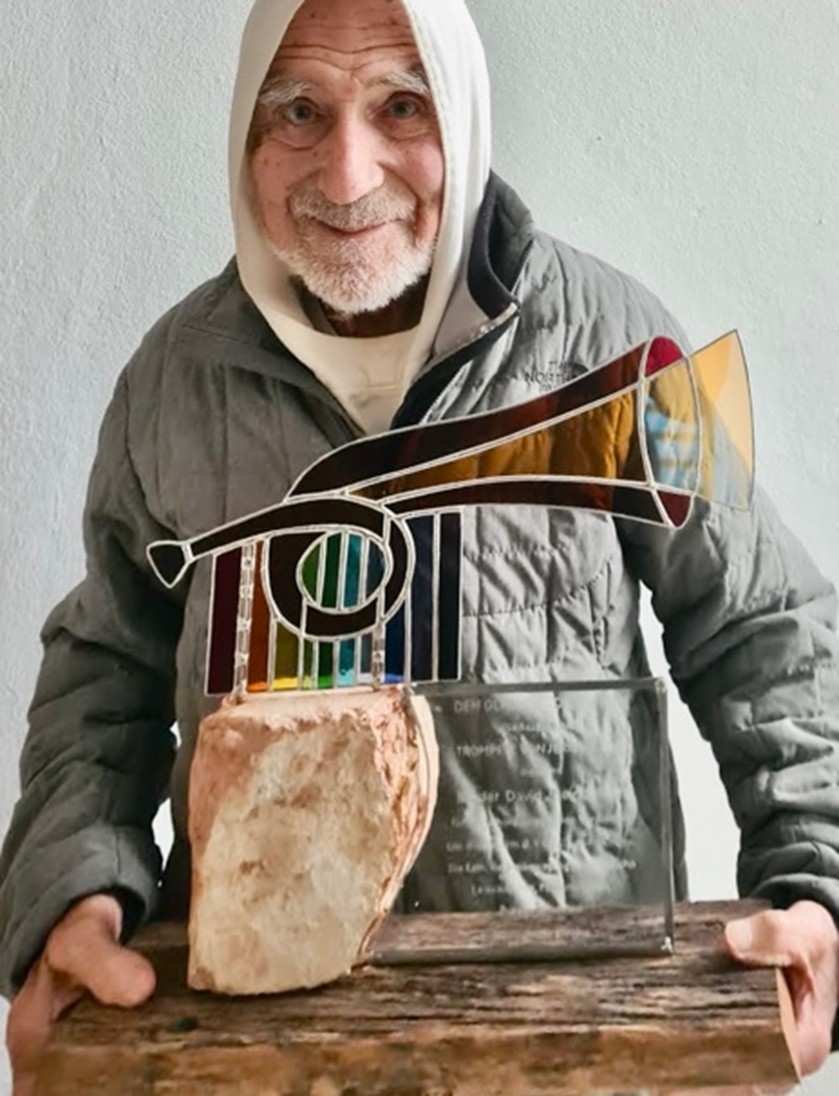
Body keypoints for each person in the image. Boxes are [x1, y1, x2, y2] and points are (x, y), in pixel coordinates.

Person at [3, 0, 839, 1090]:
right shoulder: (171, 380)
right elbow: (104, 667)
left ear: (467, 113)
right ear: (245, 135)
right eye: (297, 111)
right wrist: (72, 893)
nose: (348, 174)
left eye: (402, 106)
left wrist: (817, 887)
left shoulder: (623, 342)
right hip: (257, 1041)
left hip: (570, 1028)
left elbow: (762, 627)